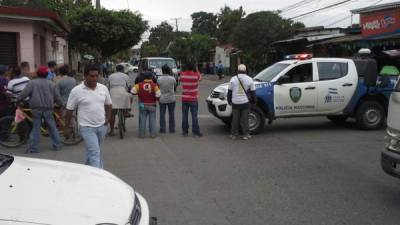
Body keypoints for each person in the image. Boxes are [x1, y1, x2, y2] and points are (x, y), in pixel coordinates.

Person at [65, 65, 112, 168]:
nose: (94, 78)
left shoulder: (103, 88)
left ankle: (86, 169)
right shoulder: (76, 91)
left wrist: (108, 119)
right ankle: (99, 177)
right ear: (85, 76)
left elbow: (108, 104)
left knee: (94, 151)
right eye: (92, 76)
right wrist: (66, 128)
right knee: (95, 152)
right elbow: (69, 110)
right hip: (86, 127)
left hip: (102, 126)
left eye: (96, 76)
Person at [17, 66, 63, 153]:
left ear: (38, 74)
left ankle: (34, 148)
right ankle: (57, 145)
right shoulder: (51, 84)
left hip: (36, 108)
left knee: (36, 128)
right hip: (48, 108)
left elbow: (24, 94)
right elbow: (57, 96)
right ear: (46, 74)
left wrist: (18, 99)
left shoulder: (32, 83)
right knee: (52, 127)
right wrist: (60, 104)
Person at [227, 64, 256, 140]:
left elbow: (229, 91)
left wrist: (229, 100)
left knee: (235, 119)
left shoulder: (233, 79)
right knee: (245, 119)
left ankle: (234, 135)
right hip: (245, 103)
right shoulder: (250, 79)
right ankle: (246, 135)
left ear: (237, 71)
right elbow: (253, 92)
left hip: (235, 102)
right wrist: (254, 101)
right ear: (245, 71)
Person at [131, 71, 161, 138]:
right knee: (152, 120)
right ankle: (153, 135)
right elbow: (158, 94)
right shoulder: (154, 85)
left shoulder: (138, 85)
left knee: (142, 119)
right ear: (151, 77)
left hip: (142, 104)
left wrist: (139, 93)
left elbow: (132, 91)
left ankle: (141, 135)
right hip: (152, 105)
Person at [108, 64, 131, 136]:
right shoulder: (125, 76)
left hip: (112, 93)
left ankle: (112, 131)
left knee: (112, 114)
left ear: (116, 69)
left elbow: (108, 86)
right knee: (129, 97)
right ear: (123, 70)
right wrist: (129, 91)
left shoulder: (111, 76)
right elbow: (129, 86)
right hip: (122, 92)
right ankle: (127, 111)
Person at [180, 61, 202, 137]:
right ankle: (195, 131)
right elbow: (200, 78)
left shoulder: (182, 75)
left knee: (184, 116)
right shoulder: (196, 75)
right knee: (194, 116)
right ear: (193, 67)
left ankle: (185, 131)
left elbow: (180, 80)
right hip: (193, 99)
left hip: (185, 99)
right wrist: (196, 69)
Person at [157, 64, 176, 133]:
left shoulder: (159, 79)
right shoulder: (172, 78)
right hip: (171, 98)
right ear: (169, 70)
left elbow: (158, 87)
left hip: (162, 99)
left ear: (162, 71)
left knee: (162, 114)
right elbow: (175, 85)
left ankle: (162, 128)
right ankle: (172, 129)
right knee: (171, 114)